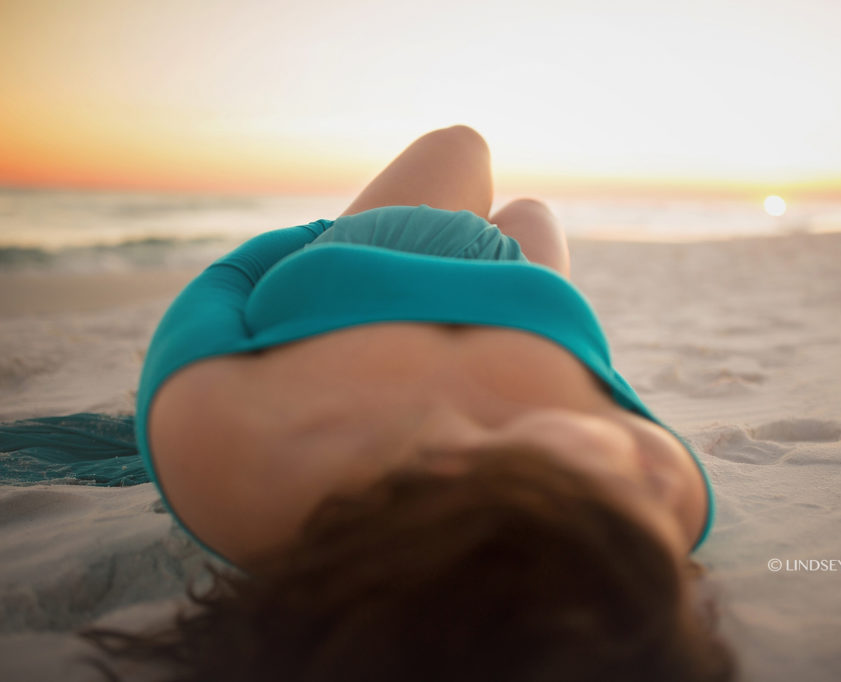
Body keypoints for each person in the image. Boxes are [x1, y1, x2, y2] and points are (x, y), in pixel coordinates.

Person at [80, 126, 734, 682]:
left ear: (452, 467)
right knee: (532, 212)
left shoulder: (231, 453)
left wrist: (320, 234)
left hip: (378, 252)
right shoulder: (635, 544)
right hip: (531, 300)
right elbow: (604, 382)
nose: (657, 479)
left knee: (462, 145)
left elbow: (221, 289)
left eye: (630, 489)